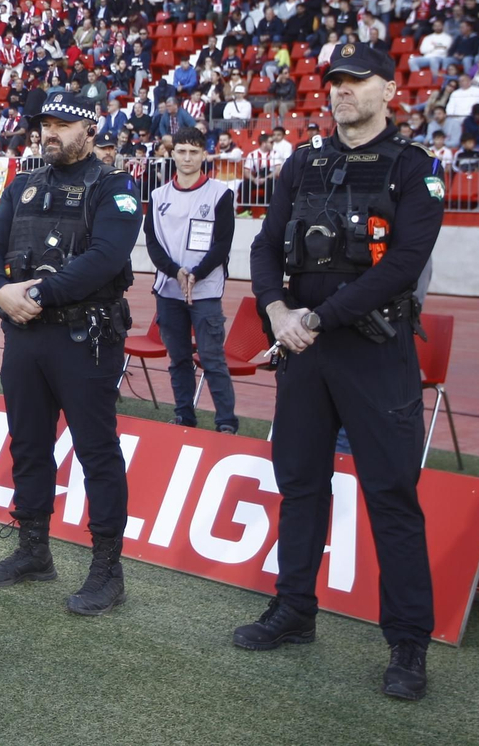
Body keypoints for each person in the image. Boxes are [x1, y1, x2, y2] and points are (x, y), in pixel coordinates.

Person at [235, 43, 444, 702]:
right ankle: (294, 608)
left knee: (391, 496)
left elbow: (403, 264)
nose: (342, 90)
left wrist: (317, 319)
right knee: (299, 484)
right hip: (304, 350)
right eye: (334, 82)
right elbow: (265, 246)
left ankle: (407, 642)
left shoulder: (414, 168)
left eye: (357, 80)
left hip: (374, 353)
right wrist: (275, 310)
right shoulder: (304, 163)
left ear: (389, 90)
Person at [0, 90, 143, 615]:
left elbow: (105, 258)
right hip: (24, 335)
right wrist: (0, 290)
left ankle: (107, 569)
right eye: (46, 123)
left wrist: (38, 295)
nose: (50, 132)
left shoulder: (115, 186)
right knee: (28, 443)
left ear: (90, 131)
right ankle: (33, 549)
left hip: (84, 338)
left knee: (96, 452)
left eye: (63, 124)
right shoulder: (23, 185)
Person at [143, 127, 239, 433]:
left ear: (204, 155)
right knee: (179, 359)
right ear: (172, 154)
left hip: (206, 291)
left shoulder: (220, 194)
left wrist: (196, 273)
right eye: (182, 151)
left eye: (194, 152)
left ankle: (226, 423)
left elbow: (222, 244)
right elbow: (152, 243)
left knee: (212, 359)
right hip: (169, 290)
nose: (187, 158)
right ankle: (184, 417)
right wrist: (176, 272)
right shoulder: (158, 196)